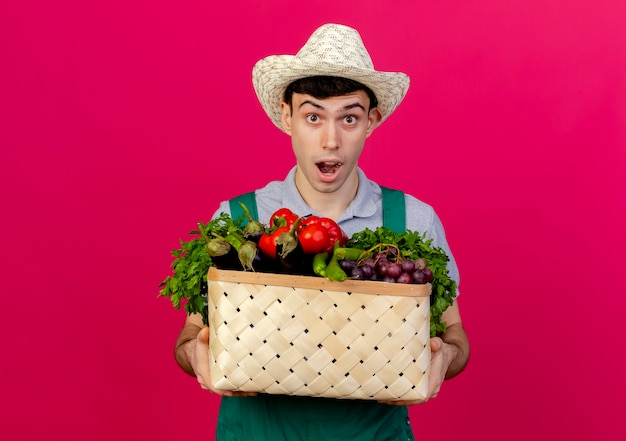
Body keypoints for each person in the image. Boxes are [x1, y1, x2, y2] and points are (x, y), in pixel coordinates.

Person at [174, 23, 470, 441]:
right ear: (287, 116)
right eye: (313, 117)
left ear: (371, 121)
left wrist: (446, 356)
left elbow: (454, 333)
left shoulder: (412, 221)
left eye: (348, 118)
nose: (330, 141)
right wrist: (194, 351)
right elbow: (191, 332)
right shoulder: (240, 217)